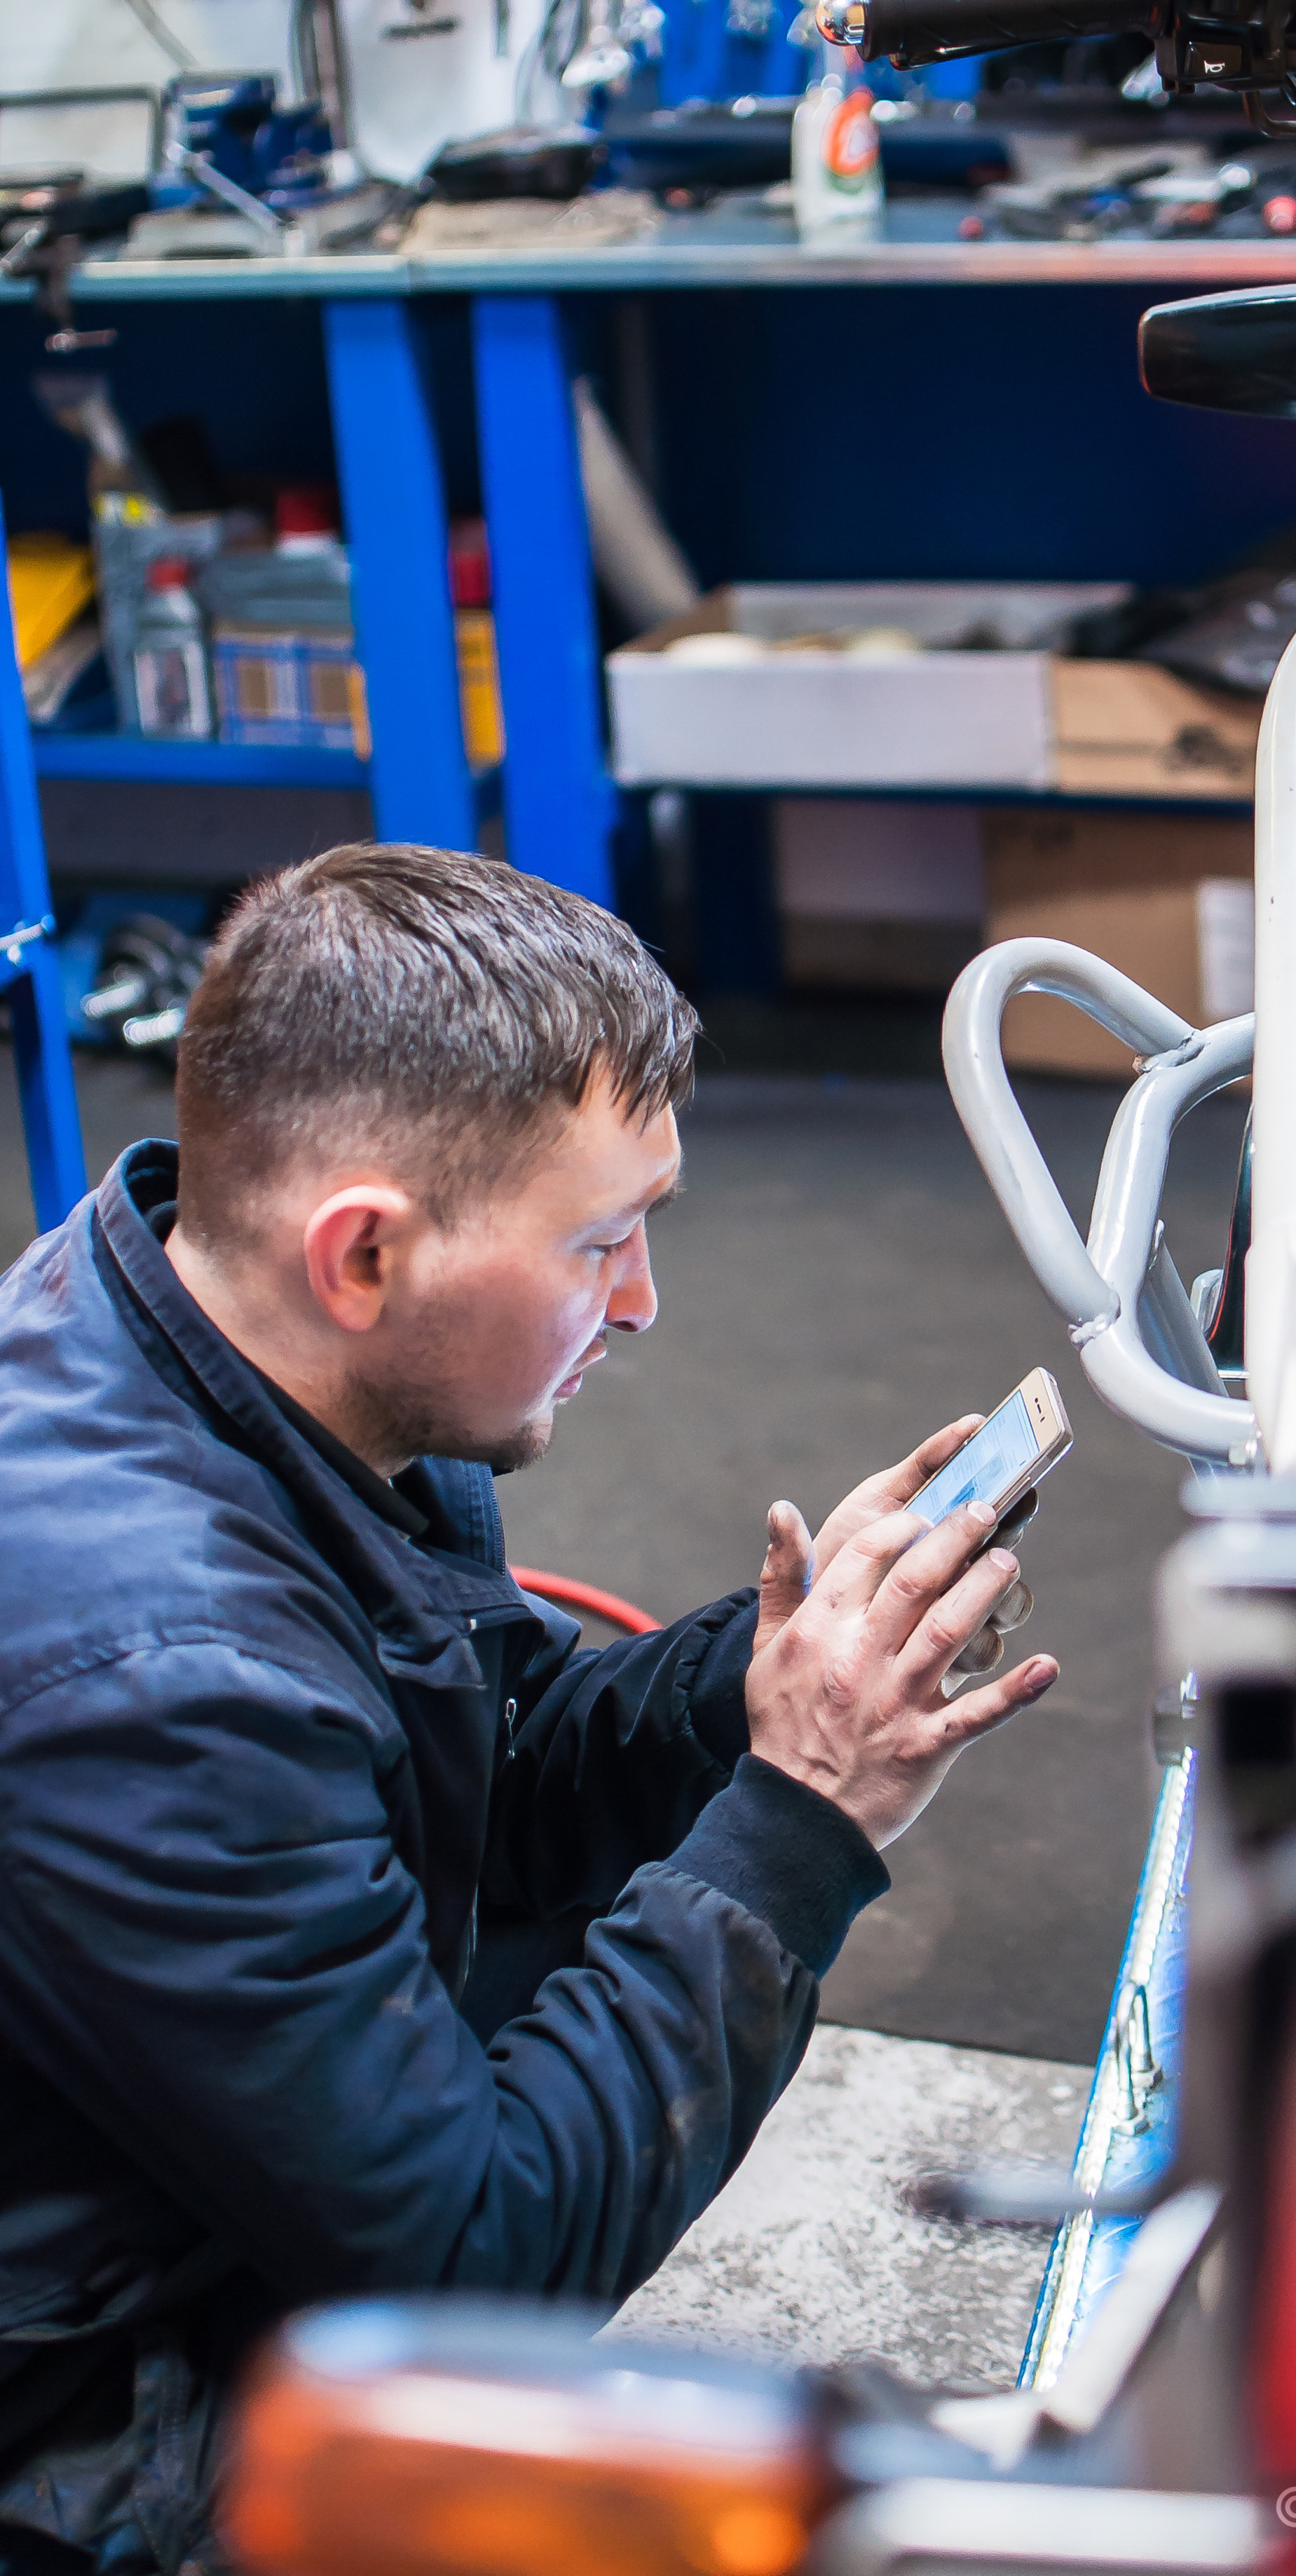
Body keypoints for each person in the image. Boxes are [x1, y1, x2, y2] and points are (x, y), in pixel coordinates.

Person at [0, 843, 1057, 2576]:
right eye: (601, 1241)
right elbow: (481, 2260)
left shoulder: (214, 1333)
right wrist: (799, 1825)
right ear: (363, 1254)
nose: (642, 1300)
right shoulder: (163, 1692)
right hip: (66, 2399)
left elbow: (490, 1772)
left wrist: (756, 1678)